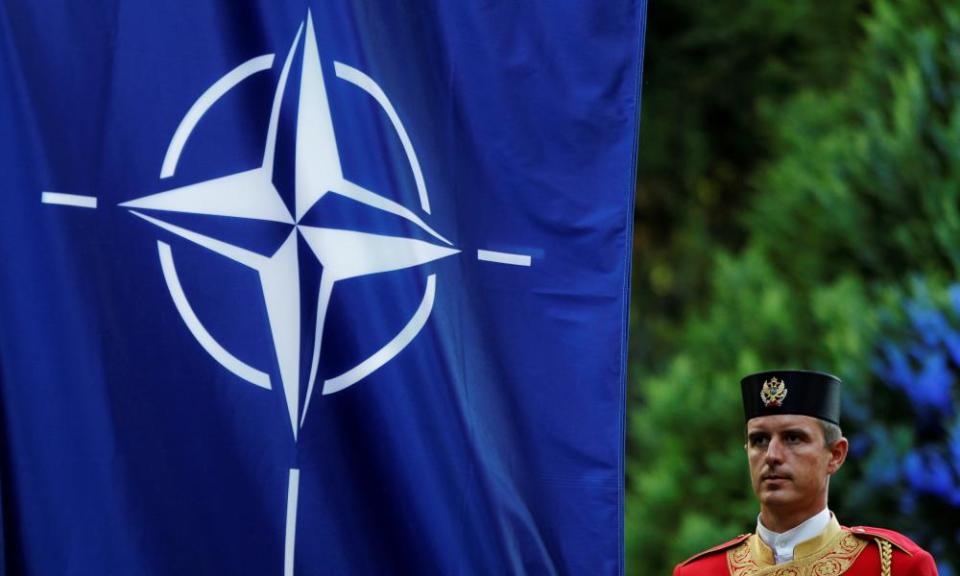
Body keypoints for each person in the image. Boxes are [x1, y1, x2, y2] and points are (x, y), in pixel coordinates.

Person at [674, 370, 938, 575]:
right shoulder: (700, 573)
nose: (772, 455)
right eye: (759, 440)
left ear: (835, 455)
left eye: (792, 438)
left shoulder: (895, 567)